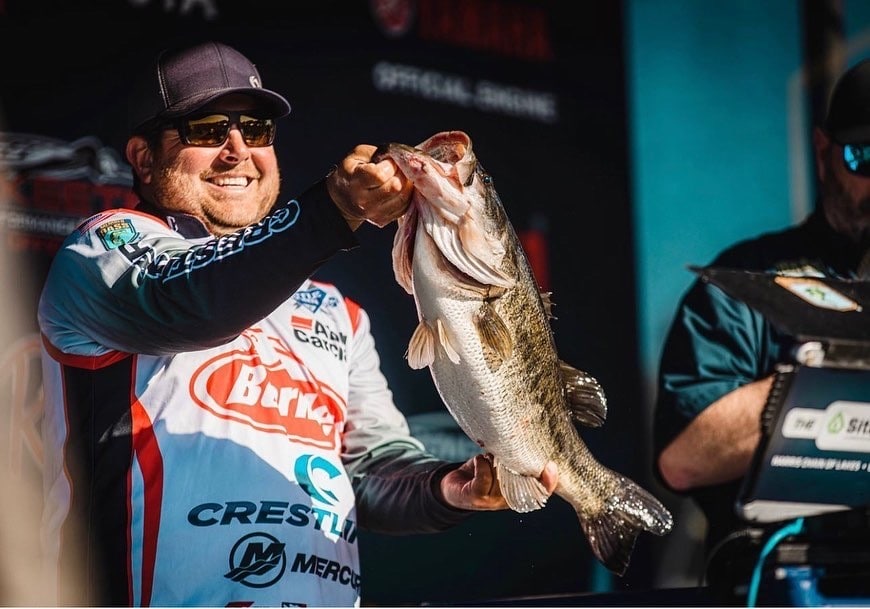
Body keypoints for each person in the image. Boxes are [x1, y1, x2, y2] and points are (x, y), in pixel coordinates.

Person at [37, 40, 558, 607]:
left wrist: (445, 488)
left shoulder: (336, 311)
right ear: (143, 156)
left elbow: (372, 469)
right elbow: (194, 303)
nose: (238, 152)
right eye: (208, 130)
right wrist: (334, 207)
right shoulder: (104, 250)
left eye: (256, 130)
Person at [652, 58, 870, 594]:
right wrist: (832, 369)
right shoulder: (747, 283)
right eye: (863, 156)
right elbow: (683, 459)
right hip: (800, 580)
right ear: (823, 154)